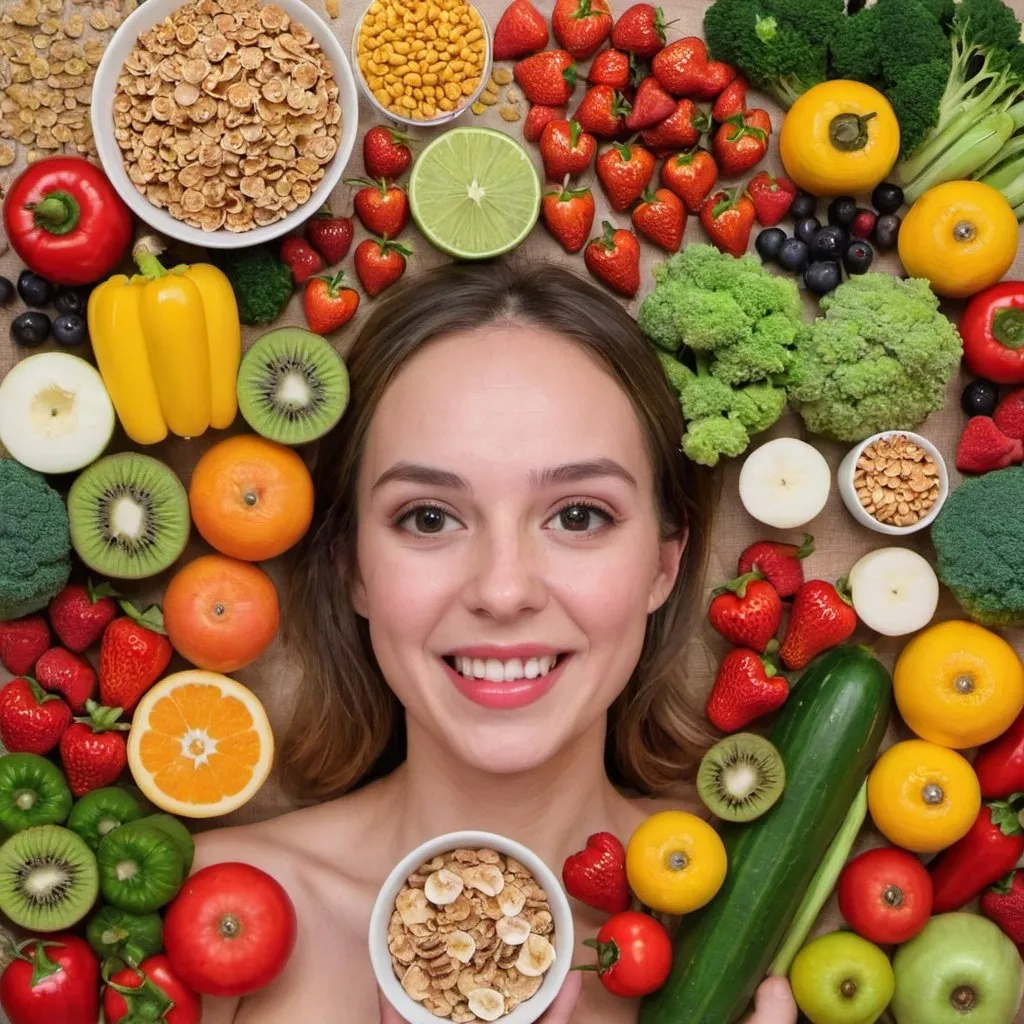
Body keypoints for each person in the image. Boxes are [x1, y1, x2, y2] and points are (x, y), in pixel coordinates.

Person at [194, 261, 798, 1024]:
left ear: (664, 564)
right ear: (353, 569)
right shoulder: (223, 909)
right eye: (429, 517)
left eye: (578, 516)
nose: (504, 591)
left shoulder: (770, 920)